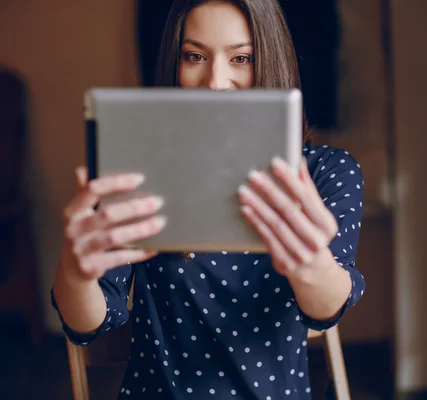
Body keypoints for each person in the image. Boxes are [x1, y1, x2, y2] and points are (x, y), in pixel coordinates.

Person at [51, 0, 365, 398]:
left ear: (271, 61)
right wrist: (76, 273)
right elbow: (87, 323)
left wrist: (311, 264)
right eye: (195, 55)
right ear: (174, 64)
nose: (216, 81)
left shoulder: (326, 172)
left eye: (242, 58)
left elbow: (326, 308)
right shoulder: (138, 170)